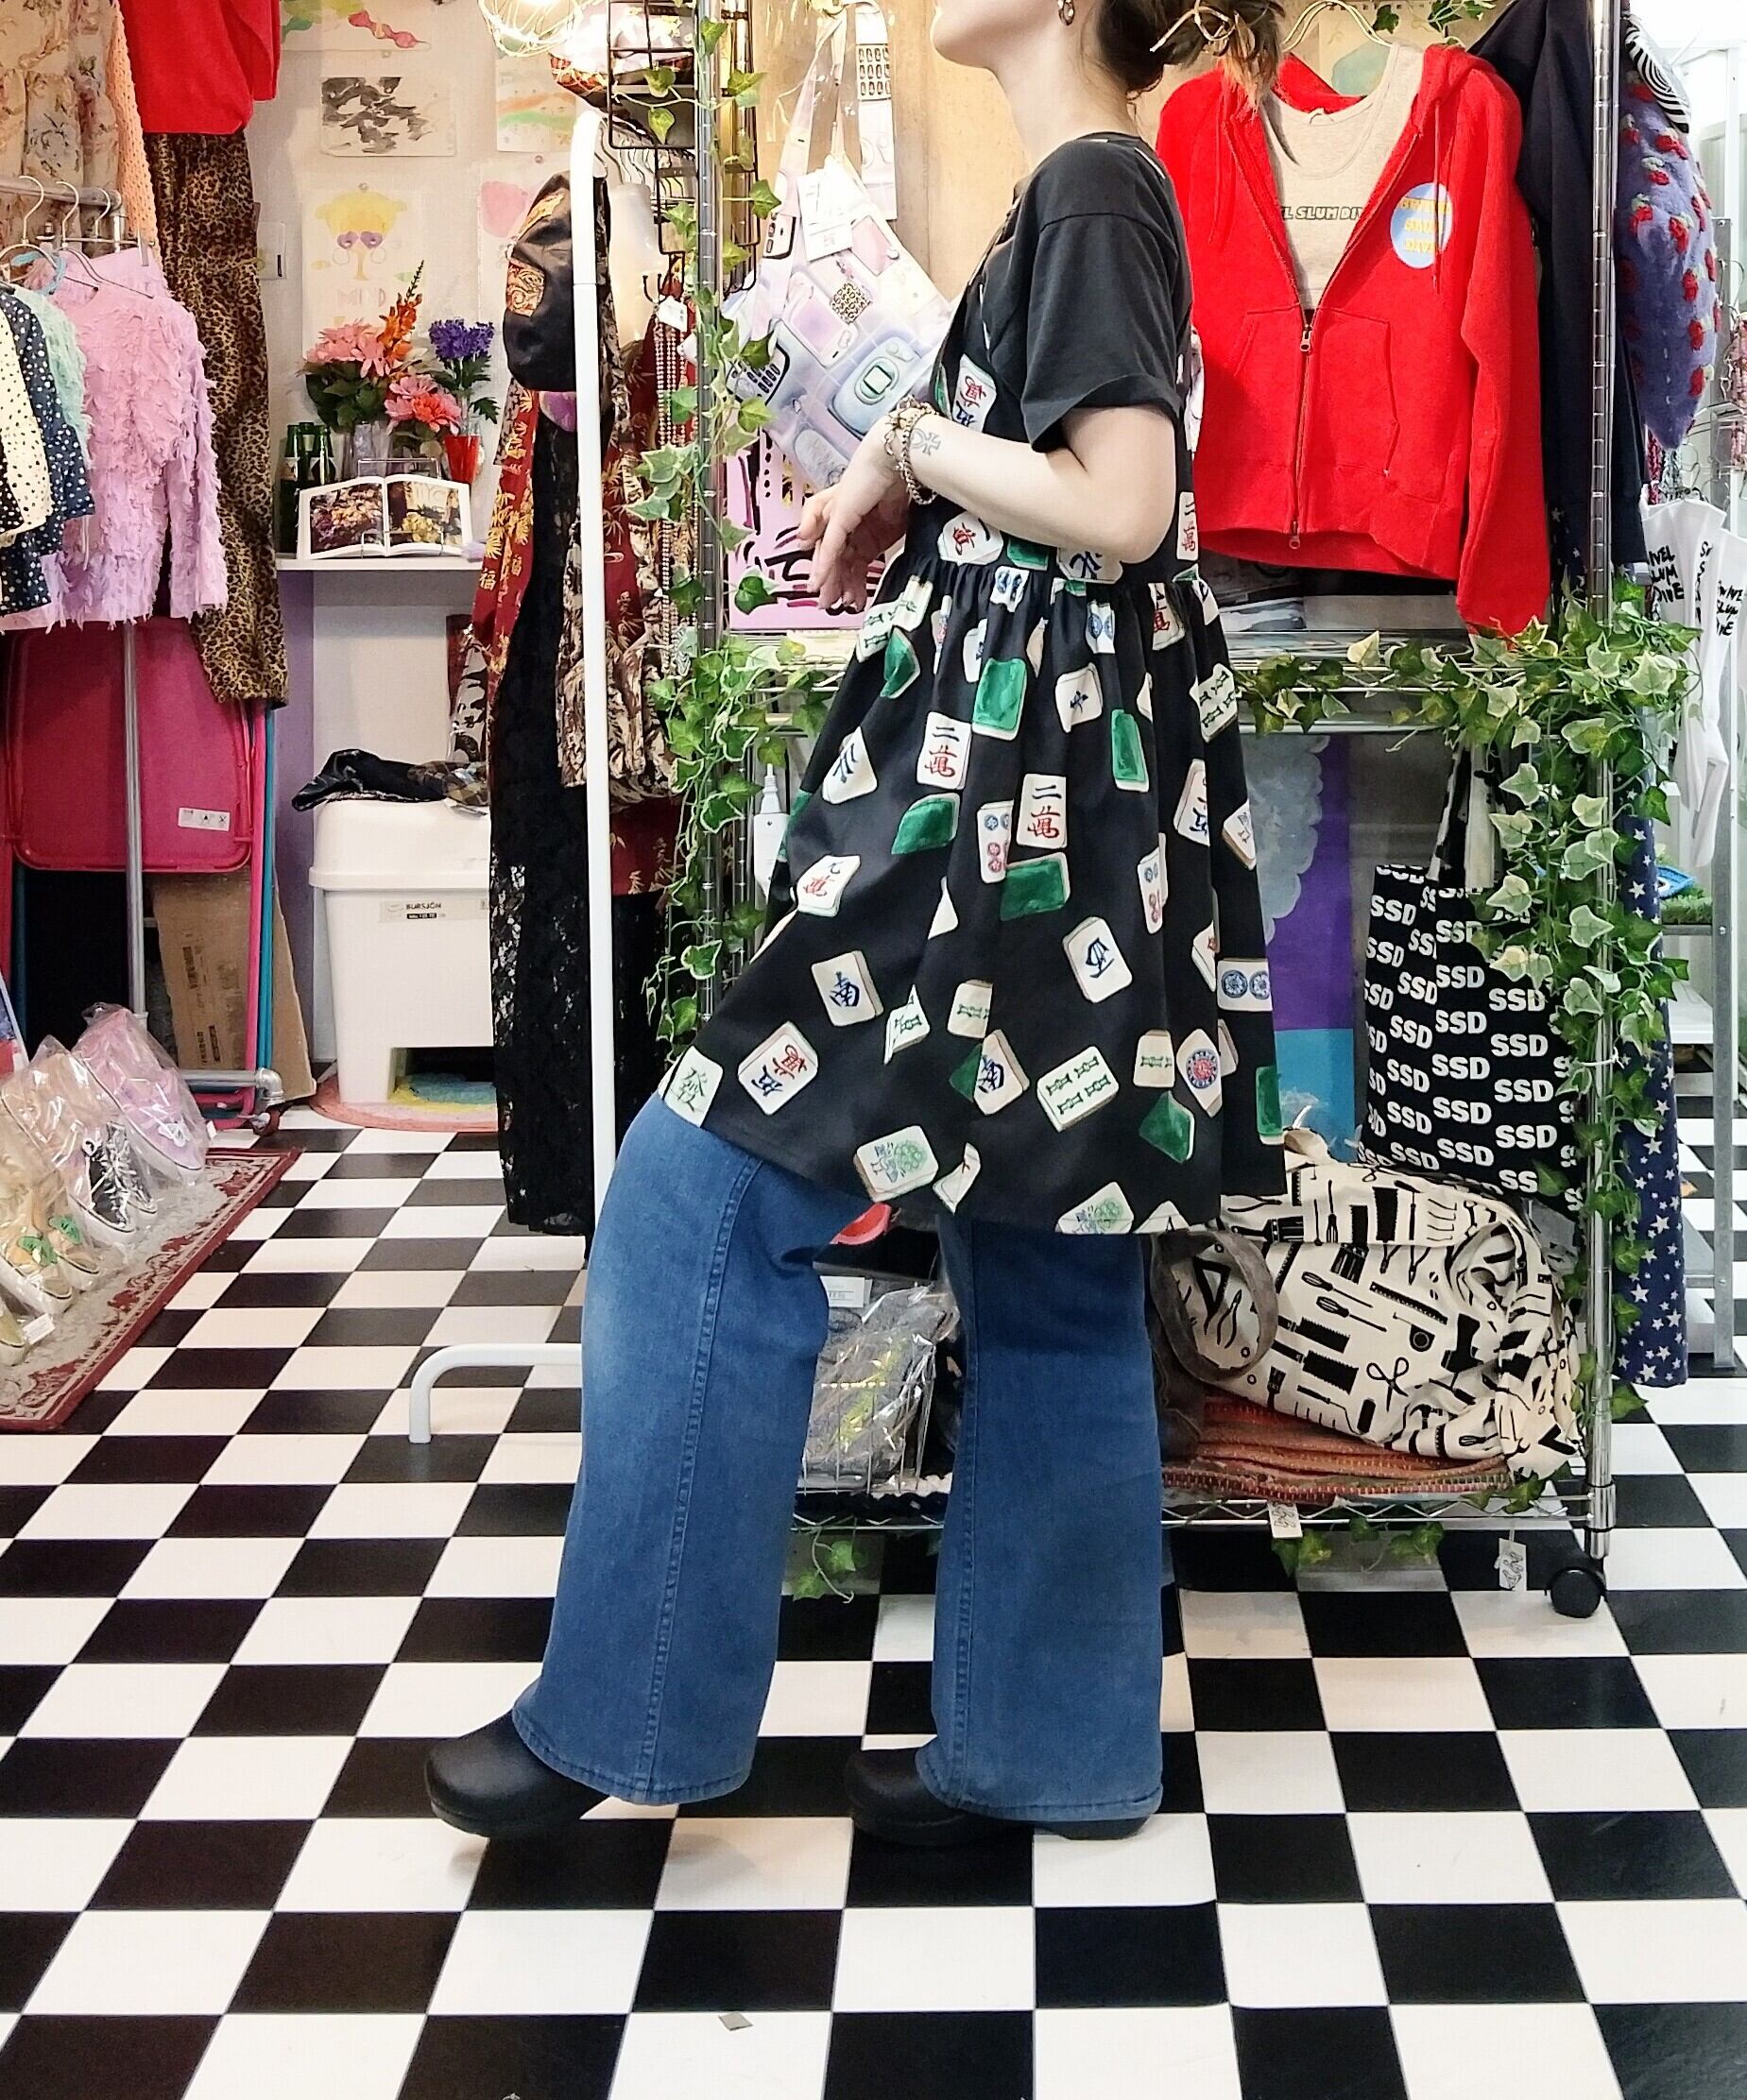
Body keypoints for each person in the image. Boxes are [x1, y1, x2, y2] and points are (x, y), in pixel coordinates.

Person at [427, 0, 1287, 1848]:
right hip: (1061, 817)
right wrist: (913, 455)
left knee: (694, 1197)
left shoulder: (1091, 190)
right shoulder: (1091, 189)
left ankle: (628, 1714)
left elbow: (1121, 503)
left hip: (1002, 823)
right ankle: (1047, 1752)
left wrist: (916, 440)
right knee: (1045, 1259)